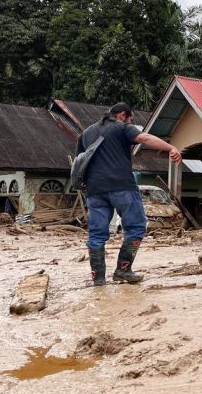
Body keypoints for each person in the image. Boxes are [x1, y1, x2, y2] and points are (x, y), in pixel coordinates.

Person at [78, 102, 182, 286]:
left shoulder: (86, 133)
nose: (131, 122)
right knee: (136, 226)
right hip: (121, 186)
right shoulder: (122, 127)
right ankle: (123, 270)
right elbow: (145, 139)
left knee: (96, 235)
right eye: (131, 119)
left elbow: (80, 161)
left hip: (95, 190)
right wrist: (170, 148)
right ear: (123, 115)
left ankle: (98, 279)